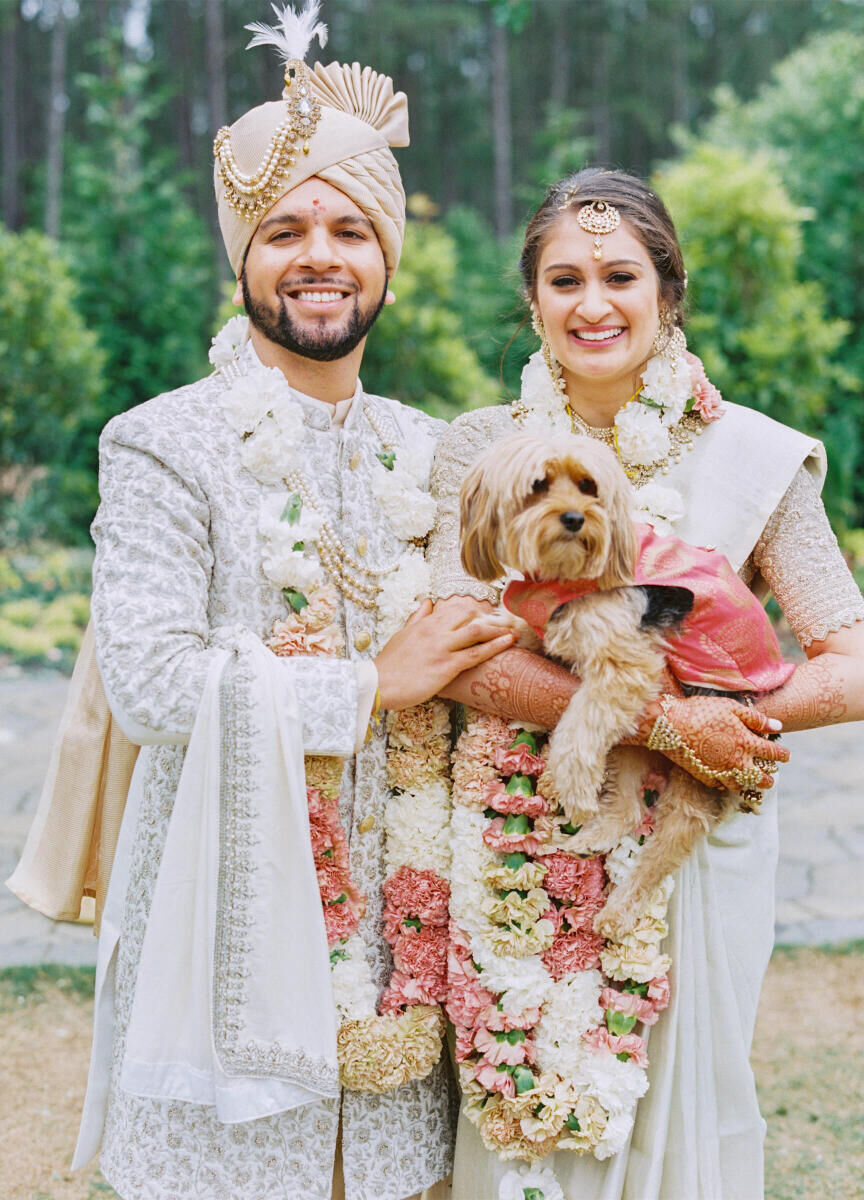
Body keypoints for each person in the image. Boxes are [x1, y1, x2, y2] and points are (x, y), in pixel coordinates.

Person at [53, 11, 514, 1200]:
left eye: (352, 229)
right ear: (241, 255)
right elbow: (152, 683)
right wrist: (375, 683)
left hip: (400, 946)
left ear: (389, 259)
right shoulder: (162, 443)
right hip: (222, 927)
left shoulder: (432, 453)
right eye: (285, 229)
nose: (321, 254)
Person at [427, 167, 864, 1199]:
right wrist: (664, 722)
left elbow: (850, 661)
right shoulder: (479, 451)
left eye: (619, 275)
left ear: (668, 293)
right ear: (531, 297)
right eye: (564, 278)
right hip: (518, 835)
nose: (592, 303)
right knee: (528, 1129)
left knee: (682, 1133)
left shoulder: (751, 456)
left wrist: (731, 721)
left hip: (694, 860)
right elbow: (461, 647)